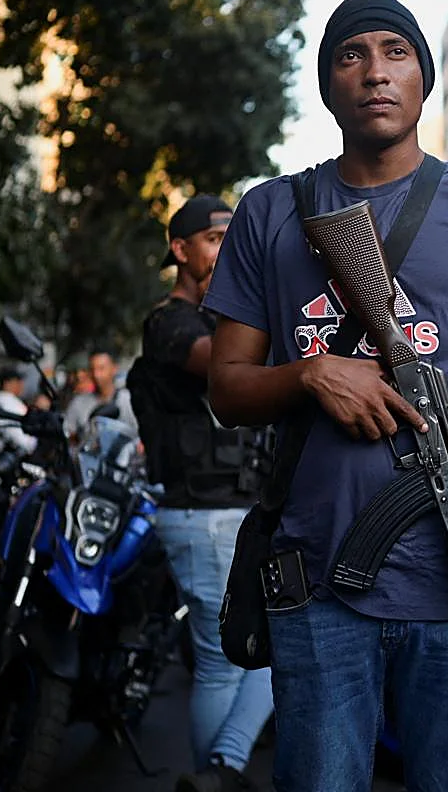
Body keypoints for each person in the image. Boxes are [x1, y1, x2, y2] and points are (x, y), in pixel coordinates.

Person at [202, 0, 448, 791]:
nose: (375, 72)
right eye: (351, 55)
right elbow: (225, 389)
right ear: (329, 86)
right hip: (317, 584)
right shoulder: (271, 211)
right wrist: (310, 373)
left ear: (425, 77)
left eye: (395, 52)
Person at [128, 195, 276, 792]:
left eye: (231, 240)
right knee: (224, 665)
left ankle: (218, 772)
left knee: (260, 651)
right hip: (203, 512)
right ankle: (222, 771)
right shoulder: (171, 322)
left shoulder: (227, 318)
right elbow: (227, 364)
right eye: (215, 241)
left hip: (233, 510)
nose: (225, 250)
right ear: (180, 249)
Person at [63, 348, 137, 440]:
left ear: (114, 369)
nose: (96, 374)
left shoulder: (129, 401)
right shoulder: (78, 403)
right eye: (92, 369)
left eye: (101, 368)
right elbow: (69, 434)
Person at [0, 366, 38, 460]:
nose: (21, 384)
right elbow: (20, 438)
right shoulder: (11, 403)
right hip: (7, 461)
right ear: (7, 383)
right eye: (17, 380)